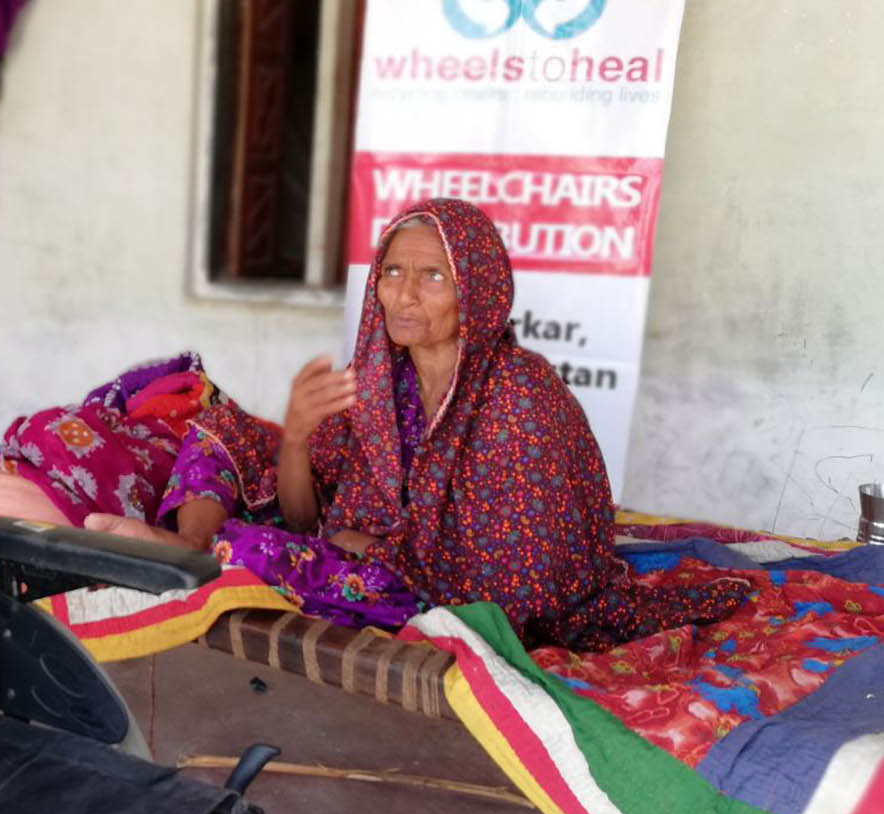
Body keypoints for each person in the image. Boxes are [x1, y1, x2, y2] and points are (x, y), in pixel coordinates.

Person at [88, 197, 748, 649]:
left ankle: (197, 554)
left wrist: (377, 552)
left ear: (477, 293)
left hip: (460, 601)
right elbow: (308, 519)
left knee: (265, 555)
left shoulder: (519, 397)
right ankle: (185, 541)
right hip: (377, 557)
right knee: (223, 428)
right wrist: (297, 440)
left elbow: (524, 590)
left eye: (433, 276)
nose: (404, 294)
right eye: (394, 272)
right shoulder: (381, 379)